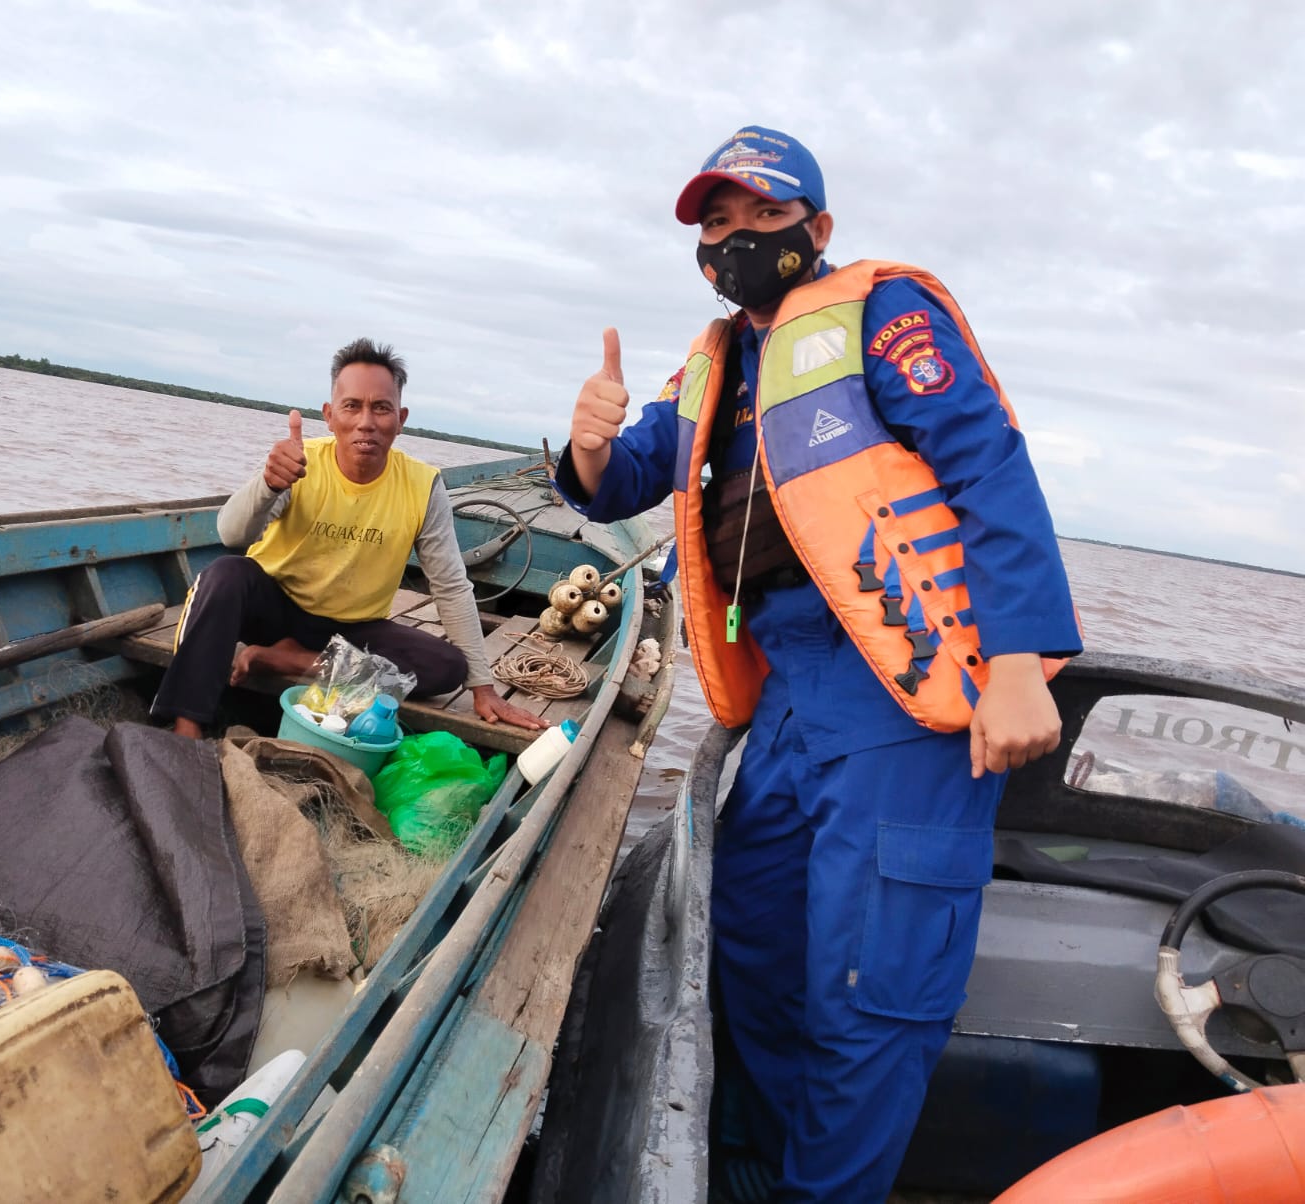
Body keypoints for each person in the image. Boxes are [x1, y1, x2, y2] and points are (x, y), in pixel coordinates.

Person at [556, 127, 1083, 1201]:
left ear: (818, 226)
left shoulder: (884, 315)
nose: (738, 238)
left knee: (869, 991)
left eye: (764, 214)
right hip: (789, 697)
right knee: (755, 943)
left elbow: (988, 466)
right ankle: (760, 1164)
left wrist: (1020, 661)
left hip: (901, 689)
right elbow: (626, 479)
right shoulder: (715, 363)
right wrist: (591, 445)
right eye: (717, 222)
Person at [152, 337, 548, 737]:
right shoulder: (297, 462)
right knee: (224, 575)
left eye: (381, 408)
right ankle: (187, 726)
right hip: (273, 610)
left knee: (446, 668)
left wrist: (483, 688)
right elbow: (231, 533)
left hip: (351, 631)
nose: (366, 422)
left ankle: (295, 660)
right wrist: (268, 485)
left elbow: (450, 585)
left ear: (400, 419)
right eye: (352, 406)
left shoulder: (423, 486)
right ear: (329, 415)